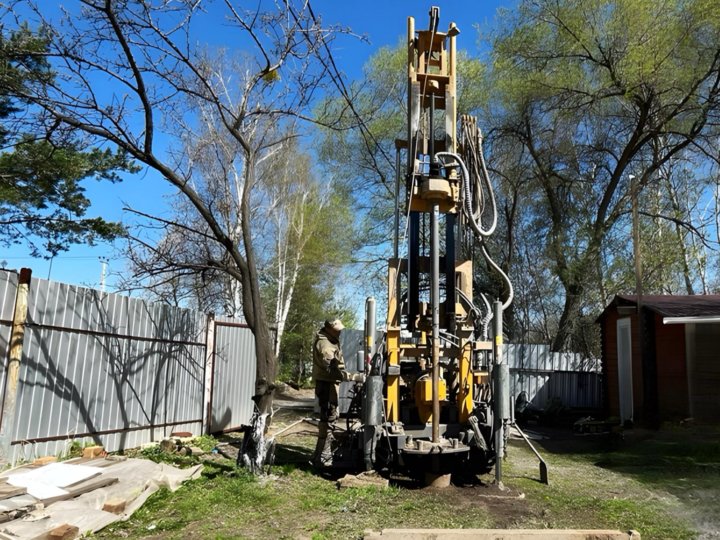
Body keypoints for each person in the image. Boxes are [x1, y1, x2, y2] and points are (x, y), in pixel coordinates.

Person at [311, 318, 364, 467]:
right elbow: (331, 369)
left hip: (329, 384)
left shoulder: (331, 340)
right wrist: (353, 377)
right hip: (327, 385)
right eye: (337, 330)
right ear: (329, 329)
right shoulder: (325, 345)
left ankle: (319, 456)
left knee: (329, 417)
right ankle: (323, 457)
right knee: (329, 418)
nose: (340, 332)